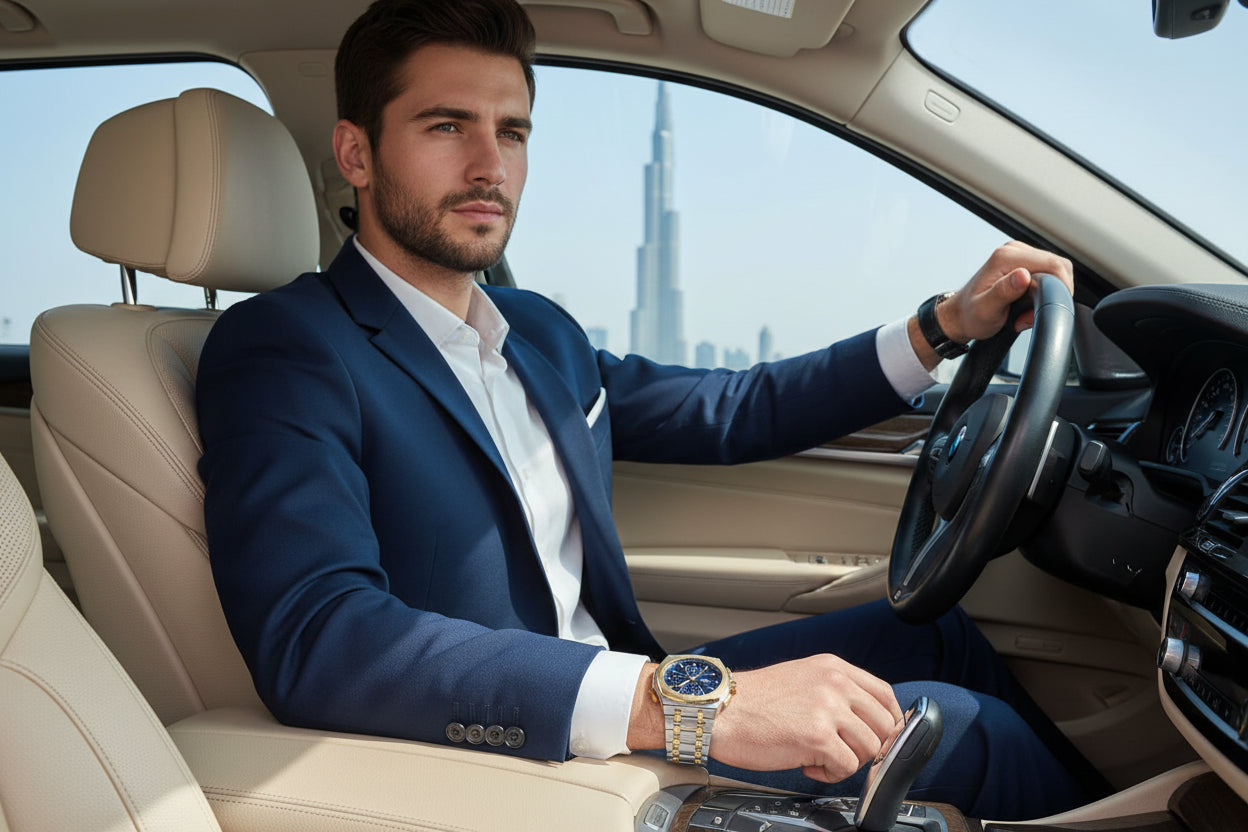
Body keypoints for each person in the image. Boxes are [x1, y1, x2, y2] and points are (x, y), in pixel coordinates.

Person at [196, 0, 1095, 820]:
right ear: (356, 153)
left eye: (512, 132)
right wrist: (697, 708)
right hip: (532, 749)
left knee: (934, 630)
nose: (488, 165)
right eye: (446, 126)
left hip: (623, 684)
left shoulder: (539, 331)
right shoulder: (287, 348)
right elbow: (321, 638)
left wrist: (942, 326)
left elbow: (729, 408)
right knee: (964, 728)